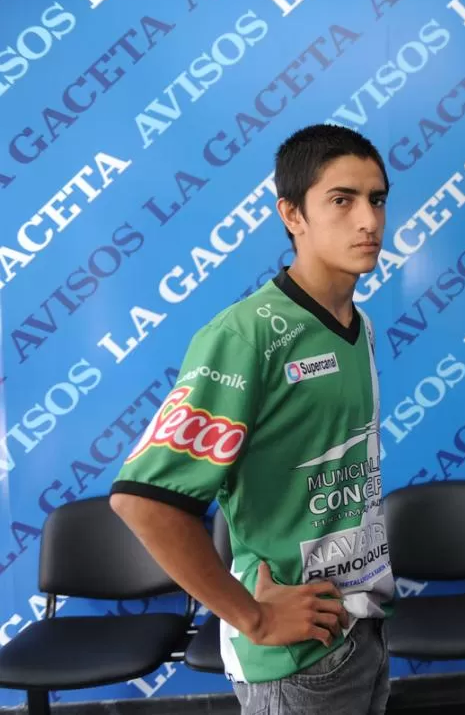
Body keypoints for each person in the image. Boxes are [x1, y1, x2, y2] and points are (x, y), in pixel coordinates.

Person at [110, 124, 395, 715]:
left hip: (360, 629)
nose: (368, 219)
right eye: (341, 200)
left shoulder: (359, 326)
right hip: (294, 661)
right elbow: (144, 500)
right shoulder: (247, 335)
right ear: (292, 214)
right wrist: (254, 617)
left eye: (377, 198)